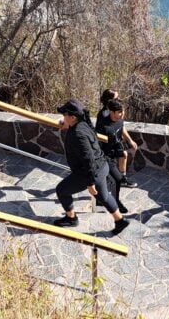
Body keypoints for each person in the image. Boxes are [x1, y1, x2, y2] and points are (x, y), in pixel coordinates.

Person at [54, 99, 130, 235]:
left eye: (65, 114)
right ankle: (120, 221)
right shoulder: (83, 123)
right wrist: (64, 122)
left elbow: (87, 159)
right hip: (102, 166)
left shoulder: (78, 134)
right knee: (104, 196)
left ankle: (71, 218)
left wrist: (90, 183)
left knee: (61, 190)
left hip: (89, 172)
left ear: (72, 117)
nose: (63, 116)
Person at [96, 99, 138, 212]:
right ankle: (116, 202)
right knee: (117, 179)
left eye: (122, 111)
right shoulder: (103, 126)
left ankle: (102, 199)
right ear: (112, 112)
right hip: (106, 157)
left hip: (115, 151)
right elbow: (96, 143)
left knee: (115, 177)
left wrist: (130, 141)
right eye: (119, 112)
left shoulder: (119, 120)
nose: (122, 114)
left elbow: (122, 128)